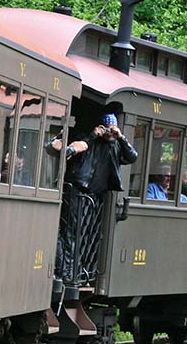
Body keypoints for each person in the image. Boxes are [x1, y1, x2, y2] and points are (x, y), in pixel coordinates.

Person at [48, 107, 138, 288]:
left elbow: (132, 157)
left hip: (96, 194)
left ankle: (78, 270)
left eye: (112, 128)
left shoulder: (115, 145)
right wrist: (93, 135)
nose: (109, 132)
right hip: (78, 190)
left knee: (86, 234)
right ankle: (66, 271)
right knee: (71, 233)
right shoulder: (89, 139)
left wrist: (120, 136)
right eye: (107, 128)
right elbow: (75, 147)